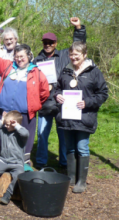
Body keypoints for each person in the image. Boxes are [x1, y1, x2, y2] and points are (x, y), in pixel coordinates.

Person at [34, 17, 86, 169]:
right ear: (42, 43)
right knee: (42, 135)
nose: (48, 45)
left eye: (51, 42)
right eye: (45, 42)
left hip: (63, 102)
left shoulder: (64, 55)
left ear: (56, 44)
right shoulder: (37, 60)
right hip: (44, 103)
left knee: (63, 136)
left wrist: (78, 29)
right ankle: (41, 162)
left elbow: (78, 45)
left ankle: (64, 162)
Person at [55, 41, 108, 193]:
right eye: (71, 54)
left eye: (76, 55)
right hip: (67, 118)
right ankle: (71, 178)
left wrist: (87, 103)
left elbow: (103, 94)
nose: (73, 58)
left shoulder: (93, 72)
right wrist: (58, 95)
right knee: (70, 148)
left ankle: (81, 182)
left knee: (82, 148)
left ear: (84, 55)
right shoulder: (65, 71)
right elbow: (57, 89)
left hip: (85, 117)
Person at [0, 40, 49, 164]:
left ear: (29, 56)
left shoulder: (37, 72)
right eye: (17, 56)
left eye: (22, 56)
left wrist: (32, 105)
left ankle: (23, 161)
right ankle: (4, 160)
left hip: (24, 114)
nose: (19, 59)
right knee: (4, 136)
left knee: (24, 137)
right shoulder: (7, 66)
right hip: (3, 110)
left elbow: (44, 92)